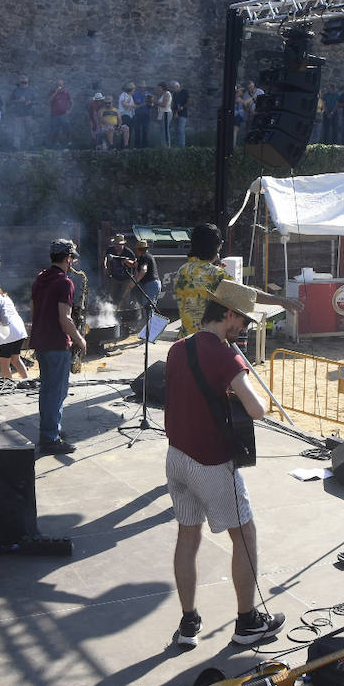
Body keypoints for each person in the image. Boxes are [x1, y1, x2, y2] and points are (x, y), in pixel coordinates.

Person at [165, 279, 284, 650]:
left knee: (188, 535)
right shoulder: (225, 354)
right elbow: (257, 410)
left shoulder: (178, 348)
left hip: (176, 457)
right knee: (244, 535)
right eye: (244, 321)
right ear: (228, 314)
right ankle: (248, 621)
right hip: (210, 462)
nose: (246, 329)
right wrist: (239, 379)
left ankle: (189, 623)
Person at [173, 223, 302, 337]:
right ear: (216, 247)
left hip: (185, 341)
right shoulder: (216, 274)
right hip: (207, 341)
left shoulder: (181, 270)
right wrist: (281, 301)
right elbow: (248, 294)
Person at [30, 239, 86, 455]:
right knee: (57, 392)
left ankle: (51, 431)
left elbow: (34, 312)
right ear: (67, 258)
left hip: (41, 342)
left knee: (47, 391)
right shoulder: (65, 282)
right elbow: (65, 319)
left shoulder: (40, 278)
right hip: (56, 344)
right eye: (72, 259)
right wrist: (80, 339)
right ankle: (50, 438)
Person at [103, 234, 137, 305]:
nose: (117, 246)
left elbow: (135, 265)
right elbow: (105, 258)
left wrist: (134, 278)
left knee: (124, 297)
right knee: (111, 295)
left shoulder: (129, 253)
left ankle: (124, 312)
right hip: (114, 277)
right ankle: (110, 310)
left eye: (119, 244)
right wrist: (105, 267)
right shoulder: (110, 250)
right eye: (115, 244)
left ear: (123, 244)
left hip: (126, 279)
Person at [130, 239, 161, 310]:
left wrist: (135, 282)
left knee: (148, 307)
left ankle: (148, 321)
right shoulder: (147, 256)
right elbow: (134, 264)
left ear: (139, 250)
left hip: (150, 284)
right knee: (150, 306)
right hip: (155, 284)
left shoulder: (144, 257)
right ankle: (150, 320)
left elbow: (143, 270)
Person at [8, 76, 35, 149]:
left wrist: (30, 102)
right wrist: (18, 101)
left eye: (25, 82)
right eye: (22, 82)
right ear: (19, 83)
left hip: (28, 114)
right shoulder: (15, 91)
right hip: (18, 114)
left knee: (29, 131)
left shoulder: (31, 91)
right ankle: (16, 147)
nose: (23, 84)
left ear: (28, 83)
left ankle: (30, 146)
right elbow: (10, 102)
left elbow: (35, 101)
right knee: (17, 132)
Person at [47, 79, 72, 148]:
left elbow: (71, 102)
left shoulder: (66, 92)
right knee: (55, 130)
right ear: (56, 85)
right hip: (54, 115)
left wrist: (69, 110)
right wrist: (56, 92)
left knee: (67, 128)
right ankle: (55, 144)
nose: (59, 86)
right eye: (58, 85)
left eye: (60, 85)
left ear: (63, 85)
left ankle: (68, 142)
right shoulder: (52, 91)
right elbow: (49, 100)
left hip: (64, 114)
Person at [171, 80, 189, 147]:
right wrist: (173, 113)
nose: (173, 89)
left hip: (183, 114)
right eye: (172, 88)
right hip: (176, 114)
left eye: (174, 88)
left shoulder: (184, 91)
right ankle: (177, 146)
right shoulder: (174, 94)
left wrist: (183, 107)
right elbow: (174, 105)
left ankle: (182, 147)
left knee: (181, 130)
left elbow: (189, 102)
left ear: (178, 86)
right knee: (176, 131)